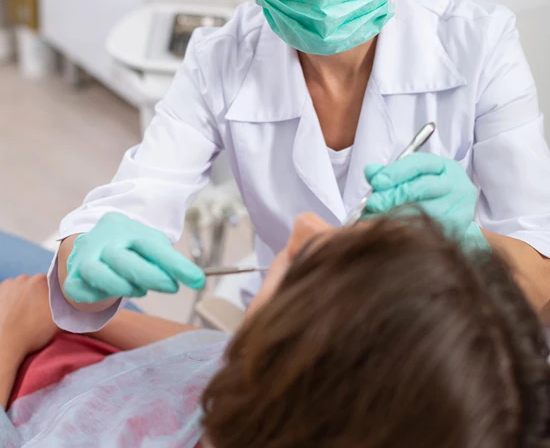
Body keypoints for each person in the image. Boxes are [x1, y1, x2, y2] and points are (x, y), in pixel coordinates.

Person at [51, 0, 550, 333]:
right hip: (287, 338)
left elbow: (539, 272)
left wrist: (470, 246)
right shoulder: (219, 61)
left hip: (438, 346)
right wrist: (83, 260)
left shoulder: (480, 44)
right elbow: (132, 203)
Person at [2, 216, 550, 448]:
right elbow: (203, 353)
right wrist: (63, 307)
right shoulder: (263, 384)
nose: (307, 225)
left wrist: (14, 331)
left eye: (308, 264)